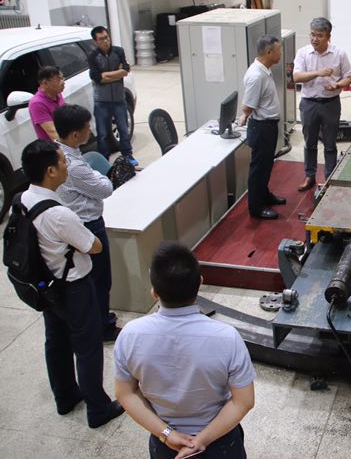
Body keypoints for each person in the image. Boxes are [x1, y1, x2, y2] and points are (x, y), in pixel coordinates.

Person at [114, 242, 256, 459]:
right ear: (200, 283)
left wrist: (167, 434)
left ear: (154, 292)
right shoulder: (227, 338)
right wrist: (201, 440)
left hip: (165, 445)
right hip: (220, 441)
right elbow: (243, 401)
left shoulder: (130, 335)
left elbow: (126, 393)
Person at [20, 139, 124, 428]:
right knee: (88, 347)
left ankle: (65, 397)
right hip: (74, 287)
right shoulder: (59, 214)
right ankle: (98, 409)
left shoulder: (24, 200)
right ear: (51, 171)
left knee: (56, 341)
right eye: (62, 161)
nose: (67, 165)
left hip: (46, 285)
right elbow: (93, 246)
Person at [53, 104, 119, 342]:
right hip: (89, 224)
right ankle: (103, 327)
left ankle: (97, 320)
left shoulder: (58, 152)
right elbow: (106, 188)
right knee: (100, 279)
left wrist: (95, 175)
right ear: (74, 134)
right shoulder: (75, 166)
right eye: (86, 127)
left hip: (76, 222)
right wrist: (100, 176)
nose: (90, 130)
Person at [292, 17, 351, 191]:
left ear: (328, 37)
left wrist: (337, 85)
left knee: (330, 143)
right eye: (312, 34)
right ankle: (309, 176)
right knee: (309, 142)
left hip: (330, 104)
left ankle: (329, 178)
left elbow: (348, 77)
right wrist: (318, 73)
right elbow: (296, 77)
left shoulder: (339, 54)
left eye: (319, 35)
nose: (315, 39)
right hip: (309, 104)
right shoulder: (303, 53)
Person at [238, 35, 285, 220]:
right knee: (259, 169)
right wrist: (244, 115)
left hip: (268, 126)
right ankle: (256, 207)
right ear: (268, 52)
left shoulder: (264, 70)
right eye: (278, 50)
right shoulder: (256, 76)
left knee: (266, 166)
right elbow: (247, 107)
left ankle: (264, 195)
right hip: (261, 128)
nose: (280, 53)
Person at [88, 25, 138, 165]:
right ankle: (104, 160)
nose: (106, 41)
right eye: (101, 39)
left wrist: (107, 75)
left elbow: (126, 70)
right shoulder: (93, 57)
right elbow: (97, 77)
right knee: (103, 133)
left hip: (119, 99)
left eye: (107, 37)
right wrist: (117, 74)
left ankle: (128, 156)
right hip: (101, 101)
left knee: (124, 129)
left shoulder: (118, 51)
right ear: (95, 41)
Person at [29, 65, 65, 141]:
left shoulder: (57, 94)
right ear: (45, 83)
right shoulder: (37, 103)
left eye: (62, 78)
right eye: (59, 79)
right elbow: (53, 133)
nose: (63, 82)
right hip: (54, 146)